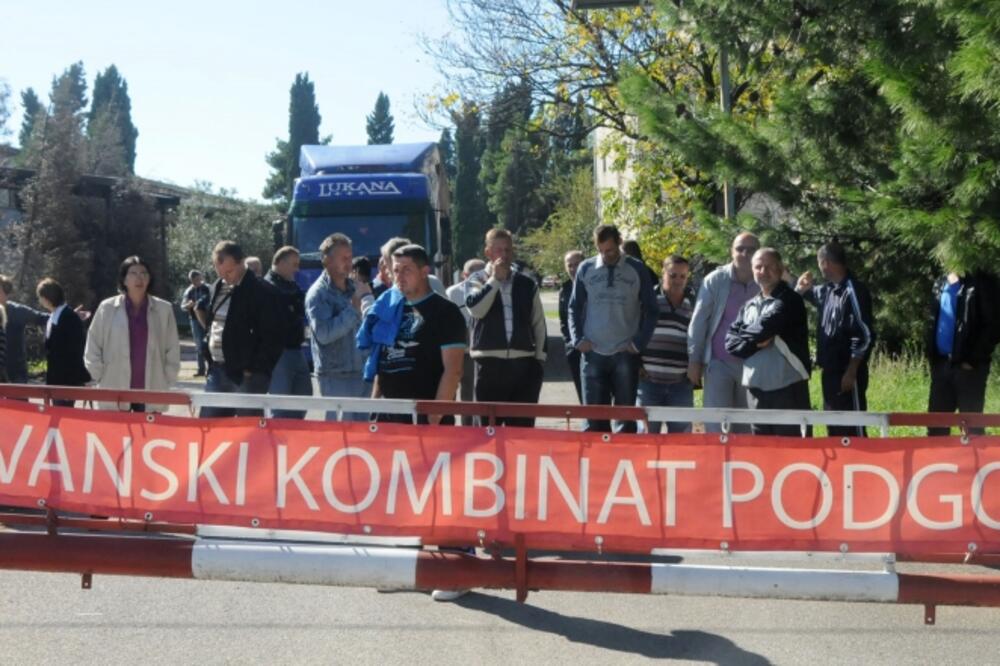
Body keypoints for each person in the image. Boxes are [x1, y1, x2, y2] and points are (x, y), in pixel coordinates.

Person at [360, 244, 465, 425]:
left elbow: (453, 371)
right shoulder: (390, 307)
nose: (399, 277)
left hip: (425, 417)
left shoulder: (446, 312)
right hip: (387, 416)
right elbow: (383, 361)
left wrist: (434, 418)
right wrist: (374, 406)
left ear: (425, 271)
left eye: (406, 270)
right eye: (396, 270)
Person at [568, 224, 659, 433]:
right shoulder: (586, 268)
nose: (605, 255)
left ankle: (621, 461)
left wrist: (638, 343)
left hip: (624, 352)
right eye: (601, 251)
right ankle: (595, 464)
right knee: (593, 420)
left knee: (625, 419)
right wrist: (578, 339)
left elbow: (652, 309)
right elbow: (574, 307)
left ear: (619, 242)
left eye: (610, 250)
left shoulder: (637, 269)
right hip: (592, 352)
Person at [725, 248, 811, 436]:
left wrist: (749, 337)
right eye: (758, 267)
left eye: (769, 267)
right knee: (762, 454)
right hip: (755, 390)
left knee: (793, 454)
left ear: (780, 269)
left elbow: (764, 329)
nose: (763, 271)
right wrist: (755, 343)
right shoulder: (749, 306)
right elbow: (730, 343)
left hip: (787, 388)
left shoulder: (790, 300)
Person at [465, 228, 547, 427]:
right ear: (488, 253)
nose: (504, 255)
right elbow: (476, 309)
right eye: (498, 250)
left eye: (508, 250)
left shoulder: (526, 283)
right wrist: (495, 280)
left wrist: (539, 360)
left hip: (523, 364)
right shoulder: (476, 279)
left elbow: (538, 323)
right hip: (488, 363)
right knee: (487, 430)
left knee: (521, 431)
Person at [795, 242, 875, 437]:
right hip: (829, 370)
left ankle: (861, 463)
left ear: (826, 263)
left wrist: (852, 370)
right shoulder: (829, 290)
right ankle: (842, 466)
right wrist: (798, 285)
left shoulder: (852, 290)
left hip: (847, 371)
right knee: (834, 424)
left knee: (852, 425)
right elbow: (812, 294)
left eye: (819, 263)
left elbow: (865, 334)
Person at [197, 241, 283, 418]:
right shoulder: (217, 287)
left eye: (229, 272)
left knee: (246, 433)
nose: (225, 277)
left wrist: (254, 369)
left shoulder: (264, 292)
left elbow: (273, 337)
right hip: (217, 369)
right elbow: (212, 322)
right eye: (219, 272)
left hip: (247, 376)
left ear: (242, 262)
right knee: (209, 429)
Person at [84, 256, 181, 412]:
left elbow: (172, 347)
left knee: (150, 435)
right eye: (133, 273)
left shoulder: (164, 309)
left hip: (152, 387)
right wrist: (98, 373)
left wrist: (168, 378)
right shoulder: (107, 308)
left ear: (149, 279)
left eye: (144, 273)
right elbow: (93, 343)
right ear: (124, 279)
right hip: (114, 386)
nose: (139, 278)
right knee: (116, 435)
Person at [687, 232, 762, 432]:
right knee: (716, 426)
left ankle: (743, 464)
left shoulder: (765, 280)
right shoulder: (715, 280)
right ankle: (716, 463)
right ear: (731, 252)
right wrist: (694, 360)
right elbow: (699, 322)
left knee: (746, 429)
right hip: (719, 364)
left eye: (751, 249)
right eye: (740, 249)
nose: (745, 254)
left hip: (753, 365)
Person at [925, 270, 1000, 436]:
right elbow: (934, 319)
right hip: (941, 365)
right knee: (936, 425)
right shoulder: (940, 280)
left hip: (968, 368)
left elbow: (994, 325)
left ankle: (974, 462)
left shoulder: (982, 281)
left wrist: (972, 360)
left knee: (971, 427)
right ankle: (938, 461)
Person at [306, 233, 371, 420]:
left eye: (350, 257)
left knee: (363, 440)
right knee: (341, 440)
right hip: (336, 378)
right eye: (343, 258)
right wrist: (353, 310)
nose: (349, 262)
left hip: (362, 374)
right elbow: (324, 334)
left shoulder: (356, 287)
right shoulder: (318, 294)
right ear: (326, 260)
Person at [638, 255, 695, 434]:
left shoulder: (694, 304)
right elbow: (633, 332)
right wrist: (636, 364)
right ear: (663, 273)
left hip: (680, 384)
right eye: (673, 275)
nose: (678, 280)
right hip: (649, 382)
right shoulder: (647, 301)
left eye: (682, 276)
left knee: (681, 441)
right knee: (646, 439)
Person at [265, 246, 313, 419]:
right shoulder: (268, 286)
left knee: (304, 397)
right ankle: (277, 442)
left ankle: (293, 439)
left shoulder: (291, 285)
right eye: (294, 264)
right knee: (281, 404)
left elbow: (299, 310)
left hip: (296, 349)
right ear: (281, 262)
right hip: (279, 352)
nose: (297, 269)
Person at [36, 278, 90, 407]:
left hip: (66, 383)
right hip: (55, 381)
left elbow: (76, 351)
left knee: (64, 420)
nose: (40, 300)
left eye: (40, 297)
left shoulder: (69, 317)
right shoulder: (55, 316)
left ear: (47, 298)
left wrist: (80, 379)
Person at [446, 257, 486, 425]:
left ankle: (472, 428)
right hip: (457, 350)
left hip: (479, 350)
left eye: (481, 274)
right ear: (464, 275)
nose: (477, 279)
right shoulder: (452, 293)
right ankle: (455, 426)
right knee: (454, 390)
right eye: (473, 275)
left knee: (473, 392)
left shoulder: (489, 291)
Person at [0, 275, 48, 383]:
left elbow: (42, 318)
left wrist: (68, 316)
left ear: (6, 292)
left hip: (16, 372)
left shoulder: (17, 311)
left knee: (18, 400)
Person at [558, 250, 585, 402]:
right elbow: (563, 320)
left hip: (593, 347)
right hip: (573, 348)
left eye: (577, 264)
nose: (574, 269)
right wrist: (569, 342)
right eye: (570, 265)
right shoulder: (565, 289)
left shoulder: (593, 286)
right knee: (581, 389)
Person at [180, 270, 210, 377]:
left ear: (201, 278)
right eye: (193, 280)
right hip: (194, 320)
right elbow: (182, 306)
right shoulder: (189, 291)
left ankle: (211, 368)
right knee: (199, 345)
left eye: (197, 279)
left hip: (207, 319)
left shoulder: (207, 288)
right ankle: (201, 369)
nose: (196, 282)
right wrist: (188, 305)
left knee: (209, 343)